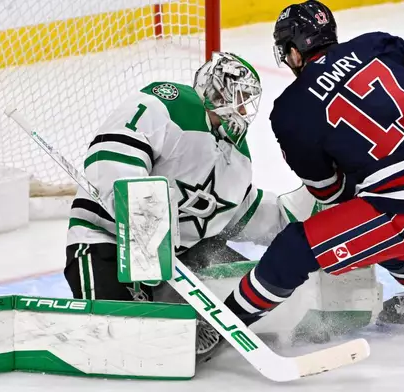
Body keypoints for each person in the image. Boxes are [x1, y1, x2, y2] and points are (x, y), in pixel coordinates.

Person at [221, 0, 404, 329]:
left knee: (296, 246)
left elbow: (331, 195)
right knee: (373, 228)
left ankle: (223, 325)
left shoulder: (290, 112)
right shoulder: (372, 46)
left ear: (295, 51)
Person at [63, 52, 287, 358]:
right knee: (115, 341)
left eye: (249, 99)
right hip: (107, 242)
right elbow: (111, 156)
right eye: (240, 96)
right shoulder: (168, 104)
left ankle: (173, 317)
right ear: (218, 90)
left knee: (256, 297)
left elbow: (241, 213)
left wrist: (294, 221)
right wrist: (144, 222)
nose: (245, 108)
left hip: (179, 259)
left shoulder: (237, 155)